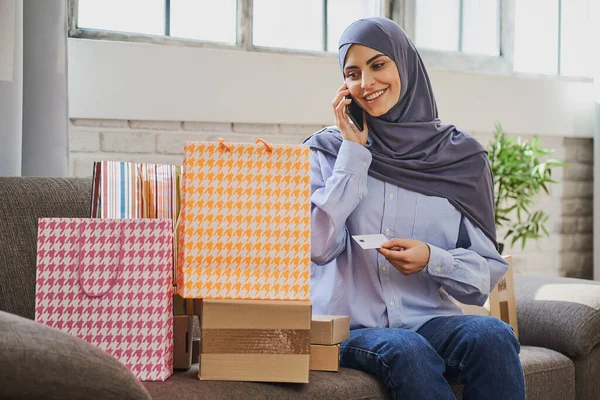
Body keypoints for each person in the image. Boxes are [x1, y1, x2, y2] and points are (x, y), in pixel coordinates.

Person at [303, 17, 525, 400]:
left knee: (493, 335)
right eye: (352, 73)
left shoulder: (460, 159)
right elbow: (317, 246)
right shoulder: (326, 152)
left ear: (405, 65)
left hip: (429, 321)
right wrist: (353, 154)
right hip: (350, 329)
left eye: (378, 65)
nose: (366, 83)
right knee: (408, 350)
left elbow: (485, 273)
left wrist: (433, 259)